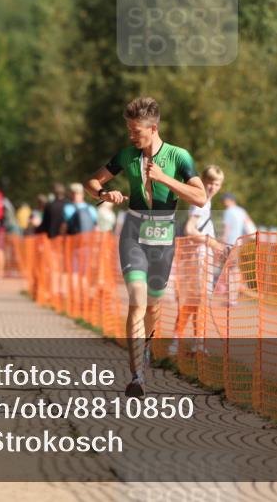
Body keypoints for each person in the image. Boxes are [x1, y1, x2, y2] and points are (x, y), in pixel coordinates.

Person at [85, 96, 206, 397]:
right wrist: (105, 194)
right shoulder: (127, 155)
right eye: (129, 129)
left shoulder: (178, 156)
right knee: (137, 301)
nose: (131, 135)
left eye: (135, 130)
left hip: (163, 238)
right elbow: (92, 182)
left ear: (153, 128)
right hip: (134, 234)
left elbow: (201, 197)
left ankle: (147, 346)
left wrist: (165, 178)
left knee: (153, 305)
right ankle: (137, 375)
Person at [171, 165, 225, 356]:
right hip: (198, 258)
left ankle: (193, 342)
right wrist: (211, 241)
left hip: (200, 257)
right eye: (210, 183)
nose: (212, 187)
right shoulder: (200, 202)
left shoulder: (205, 202)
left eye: (216, 184)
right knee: (196, 300)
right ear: (203, 181)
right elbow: (189, 229)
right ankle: (184, 342)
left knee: (196, 301)